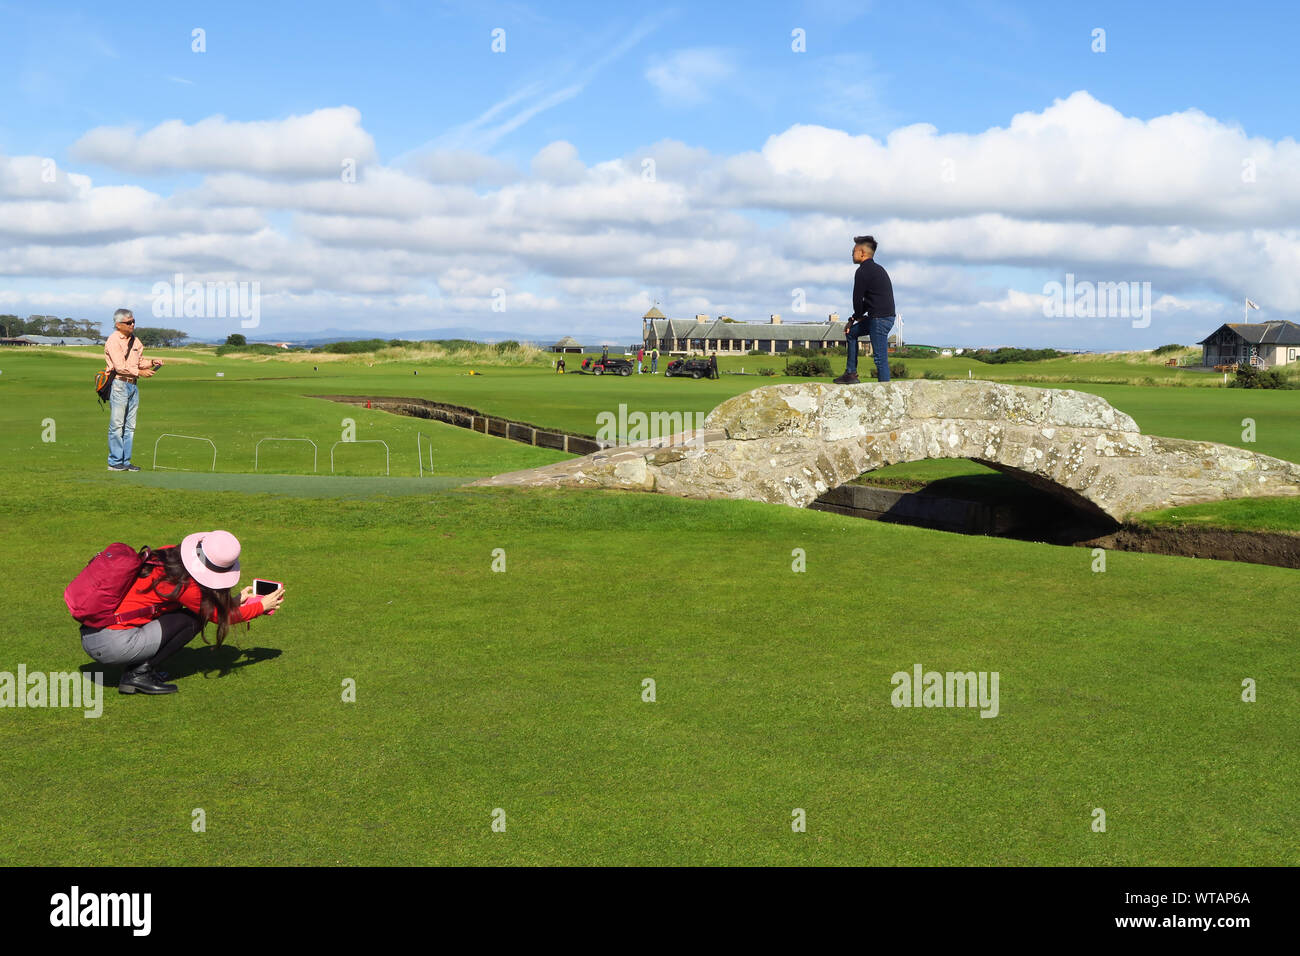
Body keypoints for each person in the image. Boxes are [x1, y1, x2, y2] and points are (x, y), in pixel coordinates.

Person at [79, 530, 286, 695]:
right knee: (193, 620)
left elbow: (206, 606)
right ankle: (138, 674)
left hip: (95, 631)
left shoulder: (168, 555)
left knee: (189, 614)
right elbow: (219, 617)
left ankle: (137, 672)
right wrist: (261, 606)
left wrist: (236, 600)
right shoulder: (184, 584)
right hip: (111, 644)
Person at [103, 308, 163, 471]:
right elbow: (120, 367)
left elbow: (139, 361)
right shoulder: (113, 340)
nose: (132, 324)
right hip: (119, 384)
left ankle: (126, 461)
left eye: (133, 321)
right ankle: (114, 462)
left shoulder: (135, 341)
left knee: (130, 426)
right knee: (116, 425)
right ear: (118, 324)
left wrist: (152, 362)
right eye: (129, 322)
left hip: (133, 386)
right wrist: (141, 373)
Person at [834, 235, 896, 384]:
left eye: (854, 250)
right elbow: (871, 300)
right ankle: (850, 373)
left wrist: (857, 315)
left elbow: (857, 300)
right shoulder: (878, 269)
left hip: (879, 319)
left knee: (880, 358)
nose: (852, 253)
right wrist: (854, 319)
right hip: (881, 317)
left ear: (862, 253)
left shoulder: (862, 271)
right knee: (852, 333)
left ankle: (886, 392)